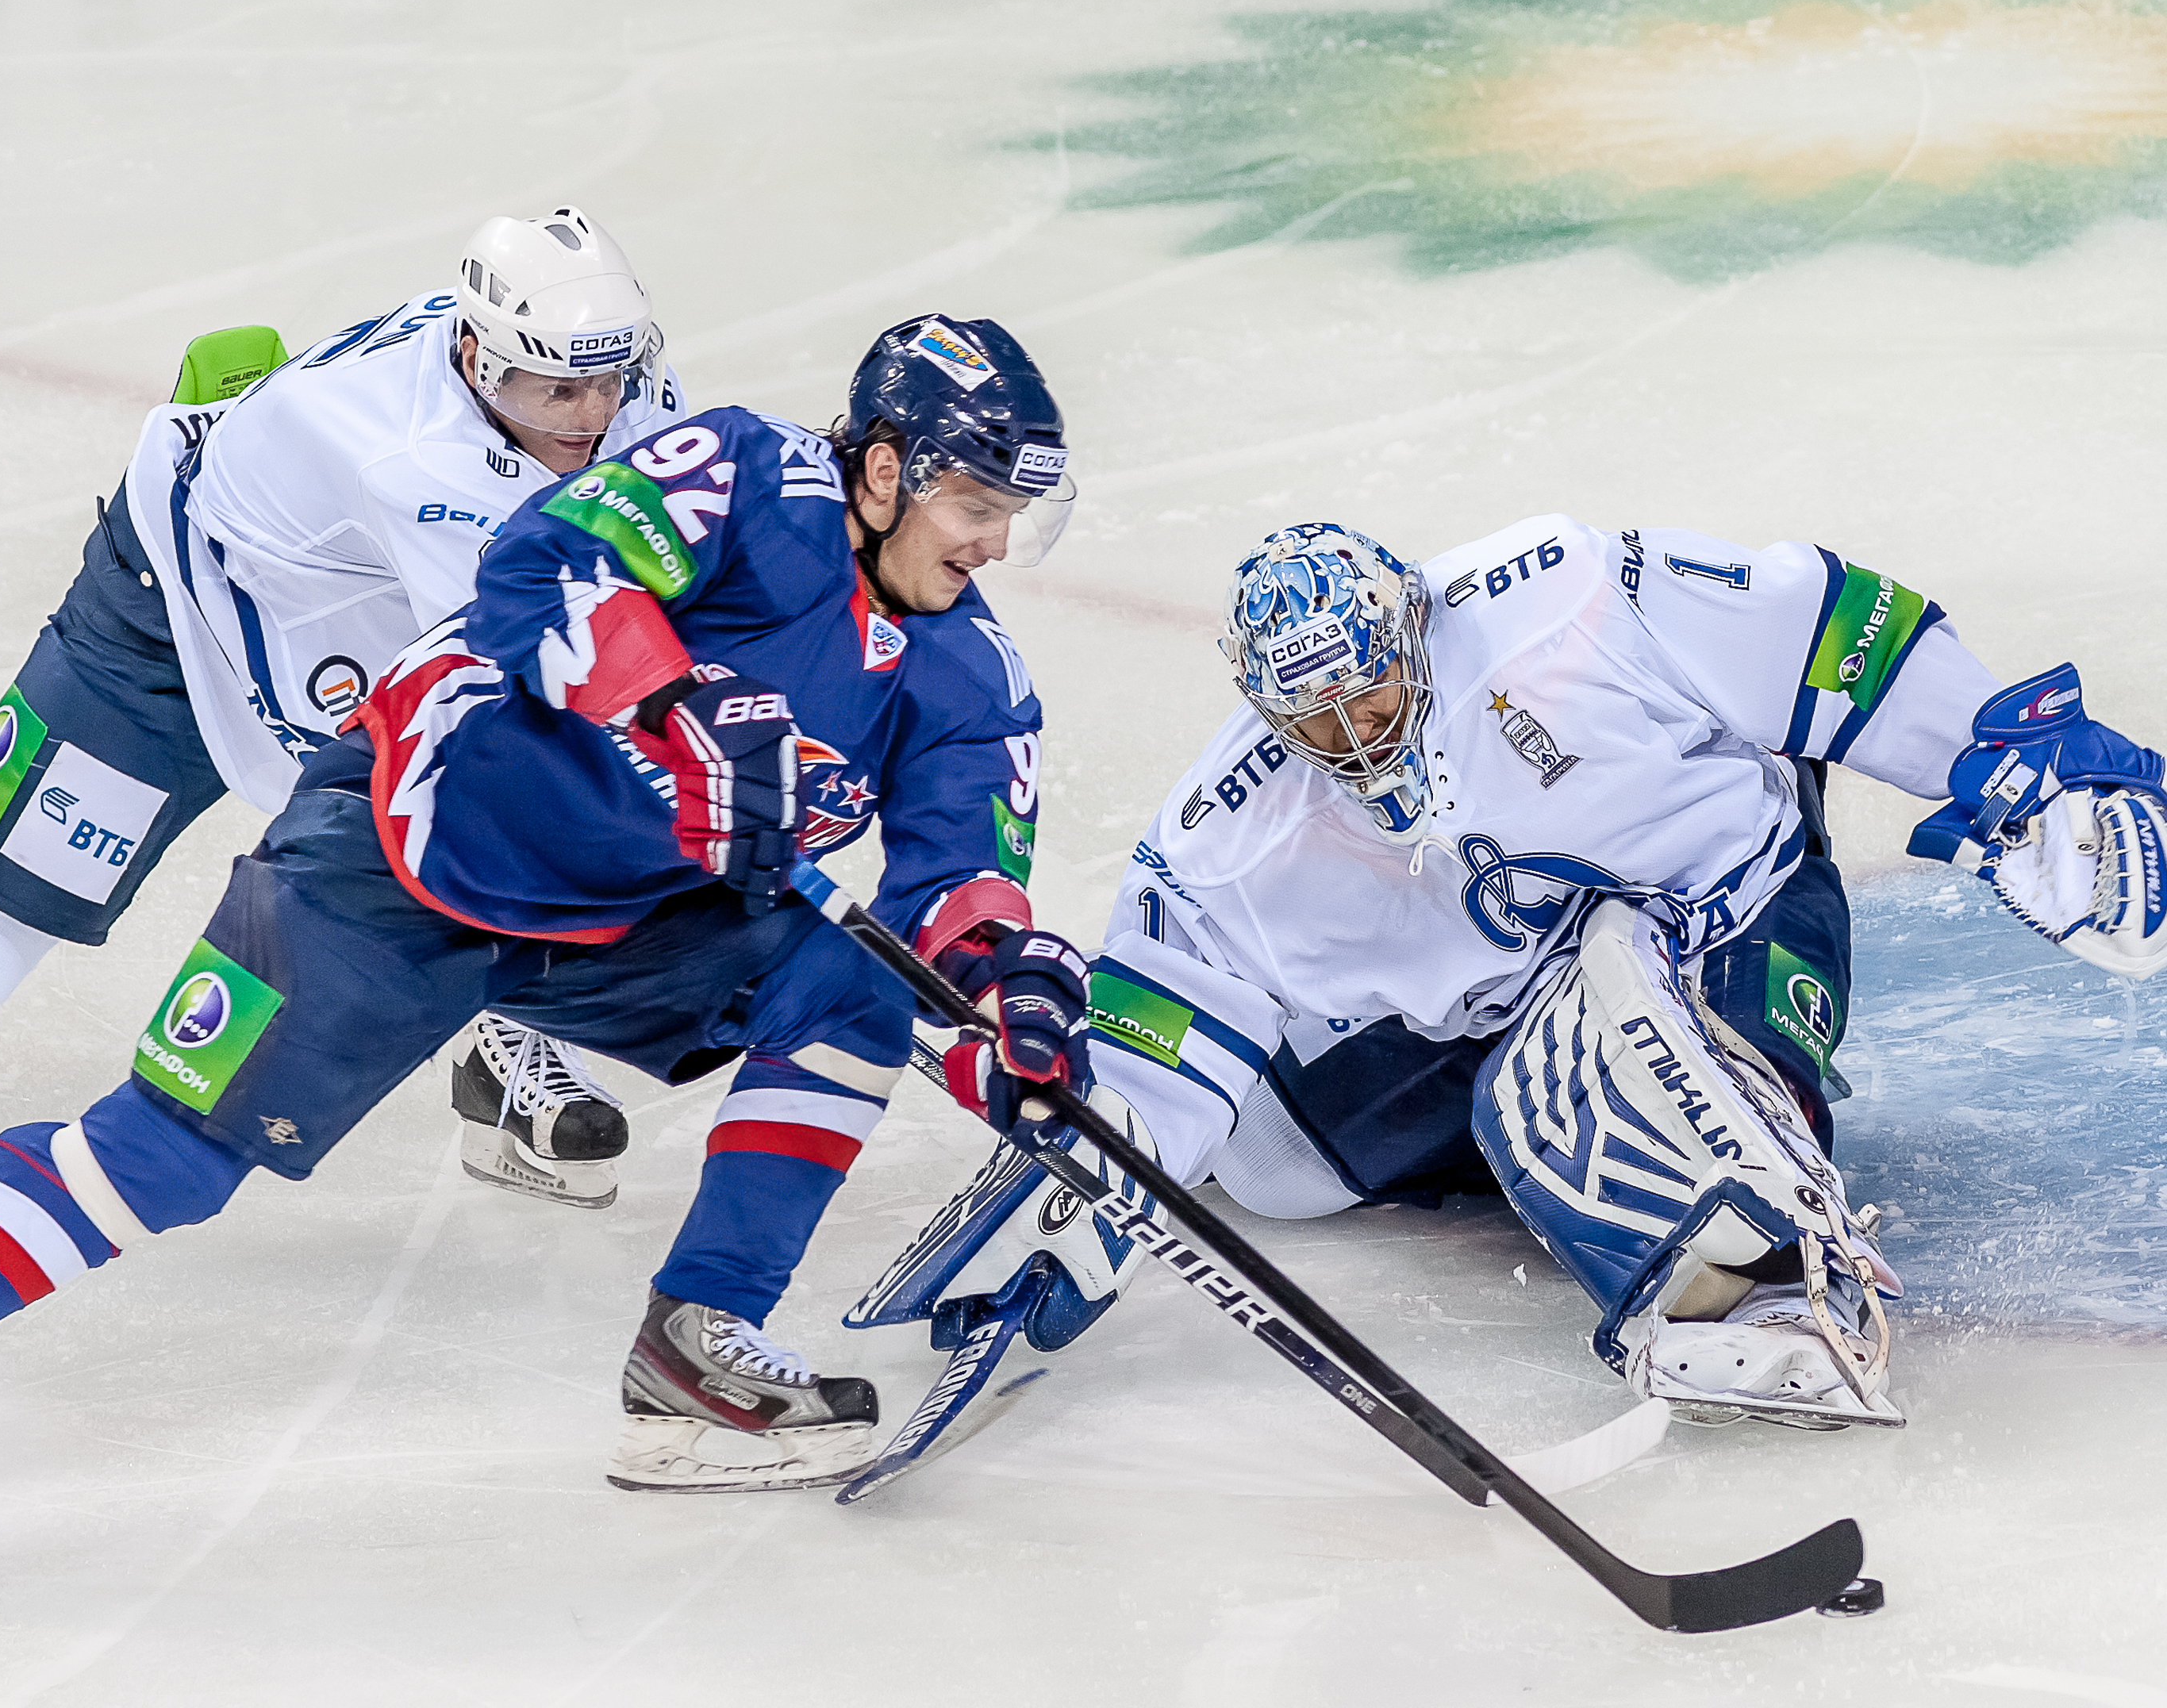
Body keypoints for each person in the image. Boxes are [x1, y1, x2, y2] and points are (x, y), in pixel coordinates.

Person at [0, 313, 1091, 1561]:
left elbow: (960, 884)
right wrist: (674, 703)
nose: (994, 542)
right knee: (164, 1159)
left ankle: (700, 1344)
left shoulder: (968, 675)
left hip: (622, 919)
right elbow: (539, 566)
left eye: (1013, 514)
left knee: (854, 993)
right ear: (885, 470)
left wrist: (1009, 994)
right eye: (977, 504)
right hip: (407, 851)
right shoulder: (747, 476)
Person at [861, 518, 2165, 1432]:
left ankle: (1765, 1271)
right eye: (1315, 722)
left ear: (1413, 629)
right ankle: (1599, 1159)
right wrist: (1099, 1159)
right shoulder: (1232, 827)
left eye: (1372, 699)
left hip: (1729, 904)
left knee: (1609, 1012)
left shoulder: (1568, 602)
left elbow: (1826, 624)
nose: (1355, 741)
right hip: (1492, 1011)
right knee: (1274, 1165)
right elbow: (1168, 1012)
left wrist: (2017, 762)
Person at [0, 208, 690, 1210]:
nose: (592, 415)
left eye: (610, 379)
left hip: (356, 611)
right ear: (479, 361)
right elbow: (551, 679)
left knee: (521, 788)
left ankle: (507, 1031)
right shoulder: (418, 466)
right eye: (558, 390)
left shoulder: (600, 379)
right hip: (171, 631)